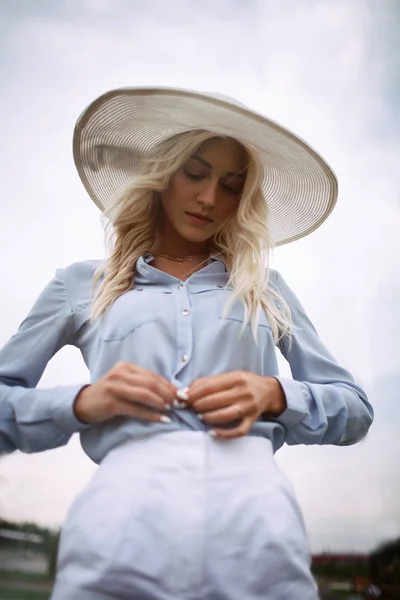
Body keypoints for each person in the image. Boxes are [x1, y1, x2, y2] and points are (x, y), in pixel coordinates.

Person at [0, 88, 373, 600]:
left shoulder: (267, 290)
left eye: (230, 184)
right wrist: (82, 402)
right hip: (123, 519)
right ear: (162, 175)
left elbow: (356, 409)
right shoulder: (79, 284)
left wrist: (276, 394)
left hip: (256, 524)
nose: (209, 198)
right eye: (195, 173)